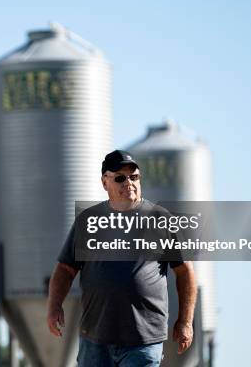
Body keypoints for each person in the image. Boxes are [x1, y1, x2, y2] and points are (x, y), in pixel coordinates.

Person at [46, 150, 197, 367]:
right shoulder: (88, 221)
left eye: (134, 177)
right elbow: (65, 269)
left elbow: (185, 272)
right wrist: (54, 307)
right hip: (94, 340)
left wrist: (185, 321)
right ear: (105, 182)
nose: (129, 182)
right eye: (120, 178)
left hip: (143, 342)